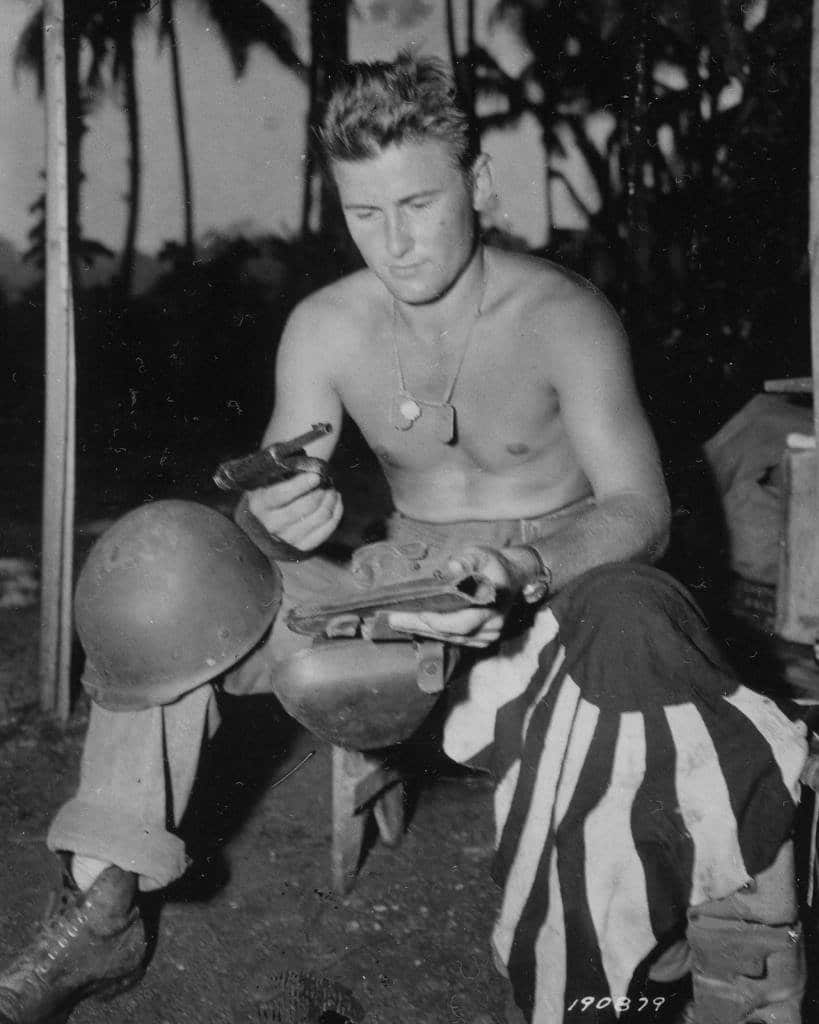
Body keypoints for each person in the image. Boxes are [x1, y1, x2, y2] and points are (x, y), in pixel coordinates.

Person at [0, 54, 809, 1024]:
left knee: (637, 615)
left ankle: (632, 963)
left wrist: (527, 565)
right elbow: (272, 487)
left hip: (551, 593)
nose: (396, 243)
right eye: (365, 214)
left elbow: (641, 508)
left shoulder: (563, 316)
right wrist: (272, 515)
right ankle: (102, 900)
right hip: (393, 597)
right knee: (165, 564)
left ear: (477, 184)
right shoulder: (323, 327)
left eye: (418, 204)